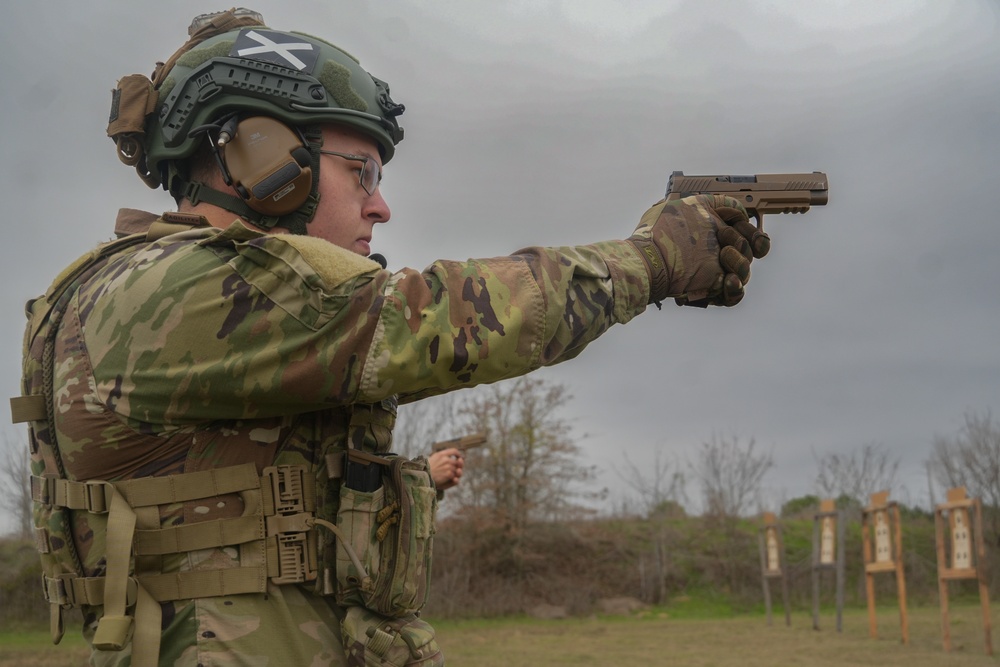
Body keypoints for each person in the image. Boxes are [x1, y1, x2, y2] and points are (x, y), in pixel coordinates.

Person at [12, 8, 768, 667]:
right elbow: (439, 319)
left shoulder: (172, 290)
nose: (381, 206)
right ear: (265, 162)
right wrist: (654, 258)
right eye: (363, 171)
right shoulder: (173, 289)